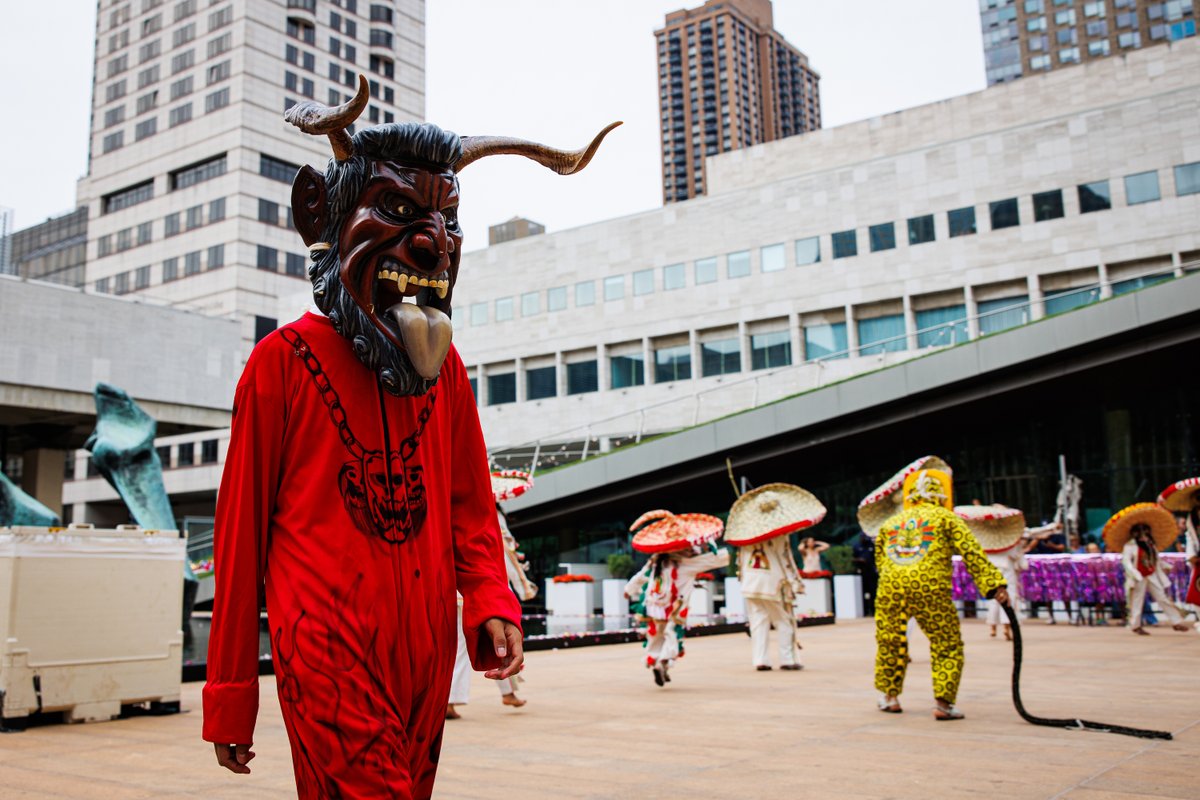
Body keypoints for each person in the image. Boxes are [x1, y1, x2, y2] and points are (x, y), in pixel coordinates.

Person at [203, 89, 617, 797]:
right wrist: (231, 693)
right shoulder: (281, 363)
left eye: (446, 219)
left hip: (426, 654)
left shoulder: (445, 370)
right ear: (322, 217)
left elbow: (469, 507)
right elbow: (239, 541)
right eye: (396, 210)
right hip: (324, 645)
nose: (433, 242)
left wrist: (489, 598)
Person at [873, 467, 1008, 720]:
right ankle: (943, 704)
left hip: (891, 586)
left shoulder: (891, 523)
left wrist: (897, 577)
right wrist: (994, 585)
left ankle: (890, 698)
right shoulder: (947, 518)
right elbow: (971, 552)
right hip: (930, 585)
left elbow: (880, 560)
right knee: (946, 643)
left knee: (890, 640)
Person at [724, 483, 827, 671]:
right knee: (784, 620)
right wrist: (795, 582)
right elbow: (785, 559)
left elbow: (740, 563)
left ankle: (760, 660)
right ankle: (788, 659)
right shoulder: (779, 535)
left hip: (750, 584)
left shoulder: (744, 536)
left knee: (758, 621)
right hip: (774, 583)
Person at [624, 509, 729, 686]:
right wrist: (709, 542)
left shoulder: (656, 560)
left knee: (657, 634)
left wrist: (629, 589)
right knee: (672, 633)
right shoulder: (688, 564)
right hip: (675, 607)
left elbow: (641, 576)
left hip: (654, 604)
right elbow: (717, 558)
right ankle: (663, 662)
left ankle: (658, 662)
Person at [1106, 503, 1192, 635]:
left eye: (1145, 531)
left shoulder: (1150, 545)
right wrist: (1135, 574)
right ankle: (1135, 625)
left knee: (1162, 597)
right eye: (1140, 532)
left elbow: (1156, 559)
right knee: (1137, 600)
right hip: (1138, 577)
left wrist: (1166, 566)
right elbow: (1127, 562)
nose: (1143, 535)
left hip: (1151, 574)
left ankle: (1176, 621)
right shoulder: (1130, 546)